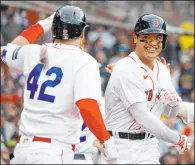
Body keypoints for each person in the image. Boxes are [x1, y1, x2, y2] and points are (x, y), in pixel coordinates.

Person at [1, 6, 118, 164]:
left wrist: (44, 24)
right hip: (53, 152)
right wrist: (108, 142)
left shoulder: (32, 52)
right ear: (82, 33)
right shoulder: (84, 61)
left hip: (22, 150)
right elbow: (87, 106)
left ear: (54, 30)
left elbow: (10, 49)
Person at [94, 14, 193, 164]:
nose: (152, 42)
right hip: (120, 145)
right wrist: (176, 139)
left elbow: (170, 111)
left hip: (149, 145)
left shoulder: (162, 69)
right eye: (146, 37)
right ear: (135, 38)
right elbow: (143, 117)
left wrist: (172, 103)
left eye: (158, 37)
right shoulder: (125, 68)